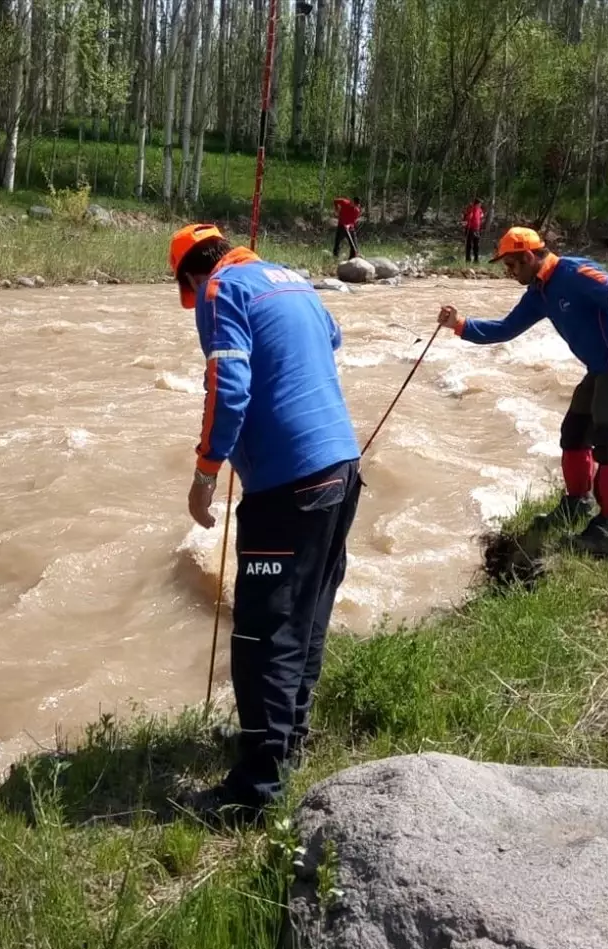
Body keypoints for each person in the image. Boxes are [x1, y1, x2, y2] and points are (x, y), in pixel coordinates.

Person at [168, 223, 364, 823]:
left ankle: (258, 791)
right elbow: (332, 339)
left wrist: (206, 471)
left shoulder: (220, 291)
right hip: (341, 466)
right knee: (305, 620)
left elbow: (228, 385)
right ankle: (288, 740)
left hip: (289, 483)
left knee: (261, 636)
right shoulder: (294, 280)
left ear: (192, 275)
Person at [436, 226, 608, 559]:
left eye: (511, 266)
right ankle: (576, 504)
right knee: (573, 435)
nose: (509, 273)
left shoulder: (576, 274)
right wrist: (459, 324)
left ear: (528, 257)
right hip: (601, 371)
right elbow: (505, 329)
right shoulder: (540, 292)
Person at [332, 195, 362, 260]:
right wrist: (337, 209)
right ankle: (335, 257)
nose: (356, 206)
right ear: (352, 202)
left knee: (354, 244)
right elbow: (335, 201)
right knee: (337, 243)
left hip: (350, 228)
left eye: (357, 205)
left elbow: (353, 221)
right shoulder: (345, 202)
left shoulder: (357, 210)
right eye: (355, 204)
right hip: (341, 226)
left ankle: (352, 258)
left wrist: (349, 225)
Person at [463, 197, 484, 263]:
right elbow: (465, 217)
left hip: (477, 229)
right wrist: (468, 216)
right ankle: (468, 260)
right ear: (476, 204)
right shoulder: (470, 208)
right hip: (470, 229)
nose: (480, 205)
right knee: (469, 245)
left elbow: (481, 215)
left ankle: (476, 259)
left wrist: (481, 216)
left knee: (476, 245)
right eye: (480, 204)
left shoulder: (479, 209)